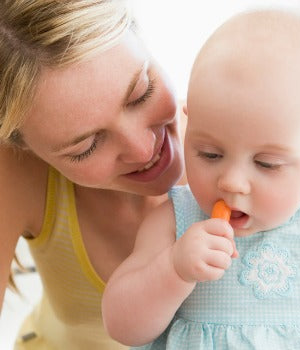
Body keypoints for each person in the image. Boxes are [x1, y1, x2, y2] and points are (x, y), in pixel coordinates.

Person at [101, 8, 300, 350]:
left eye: (267, 163)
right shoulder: (176, 222)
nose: (232, 182)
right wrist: (174, 270)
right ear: (191, 121)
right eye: (210, 154)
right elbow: (121, 326)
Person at [0, 1, 187, 349]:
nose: (144, 150)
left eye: (141, 92)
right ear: (28, 151)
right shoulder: (19, 174)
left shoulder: (241, 134)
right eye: (86, 146)